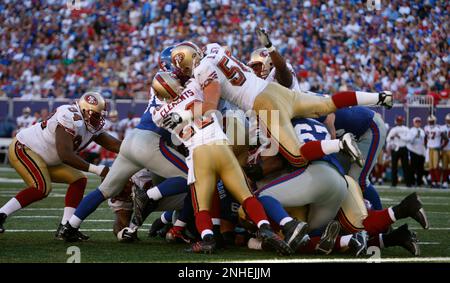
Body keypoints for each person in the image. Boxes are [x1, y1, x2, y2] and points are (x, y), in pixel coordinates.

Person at [170, 40, 392, 169]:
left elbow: (210, 105)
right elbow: (225, 51)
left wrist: (183, 116)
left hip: (264, 103)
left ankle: (340, 144)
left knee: (296, 156)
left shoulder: (201, 71)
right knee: (328, 103)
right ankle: (378, 97)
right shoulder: (214, 48)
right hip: (276, 92)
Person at [151, 71, 303, 255]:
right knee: (246, 196)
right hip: (221, 146)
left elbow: (169, 106)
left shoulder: (157, 114)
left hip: (199, 154)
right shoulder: (193, 87)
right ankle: (265, 228)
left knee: (201, 205)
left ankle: (208, 239)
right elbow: (212, 86)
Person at [0, 92, 121, 238]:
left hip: (48, 158)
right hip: (25, 148)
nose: (99, 119)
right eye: (95, 115)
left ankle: (66, 227)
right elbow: (65, 155)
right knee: (41, 188)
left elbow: (115, 145)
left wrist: (136, 150)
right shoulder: (70, 116)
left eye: (100, 115)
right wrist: (98, 169)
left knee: (79, 180)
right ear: (84, 110)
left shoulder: (90, 125)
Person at [386, 115, 412, 187]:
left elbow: (409, 139)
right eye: (398, 121)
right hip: (395, 148)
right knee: (394, 166)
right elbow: (387, 139)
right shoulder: (393, 129)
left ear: (402, 121)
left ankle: (408, 183)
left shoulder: (406, 129)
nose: (399, 122)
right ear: (396, 121)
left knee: (405, 166)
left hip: (404, 148)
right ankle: (394, 183)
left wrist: (399, 137)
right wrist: (391, 137)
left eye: (400, 121)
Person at [424, 115, 447, 188]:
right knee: (430, 166)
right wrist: (425, 145)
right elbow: (425, 137)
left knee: (435, 166)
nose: (430, 123)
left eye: (432, 121)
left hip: (436, 149)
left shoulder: (438, 129)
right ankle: (433, 181)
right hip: (429, 148)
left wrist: (441, 147)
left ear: (435, 121)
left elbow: (446, 139)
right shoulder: (426, 128)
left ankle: (437, 181)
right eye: (430, 121)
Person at [407, 117, 426, 187]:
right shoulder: (411, 130)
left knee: (420, 168)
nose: (418, 123)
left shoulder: (422, 131)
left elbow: (423, 141)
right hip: (413, 151)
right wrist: (415, 136)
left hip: (421, 151)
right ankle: (411, 182)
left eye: (419, 122)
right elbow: (410, 141)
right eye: (416, 122)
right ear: (414, 122)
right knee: (412, 168)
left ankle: (419, 182)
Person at [441, 114, 450, 188]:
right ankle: (445, 181)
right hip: (444, 149)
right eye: (448, 120)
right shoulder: (442, 128)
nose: (449, 122)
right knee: (445, 167)